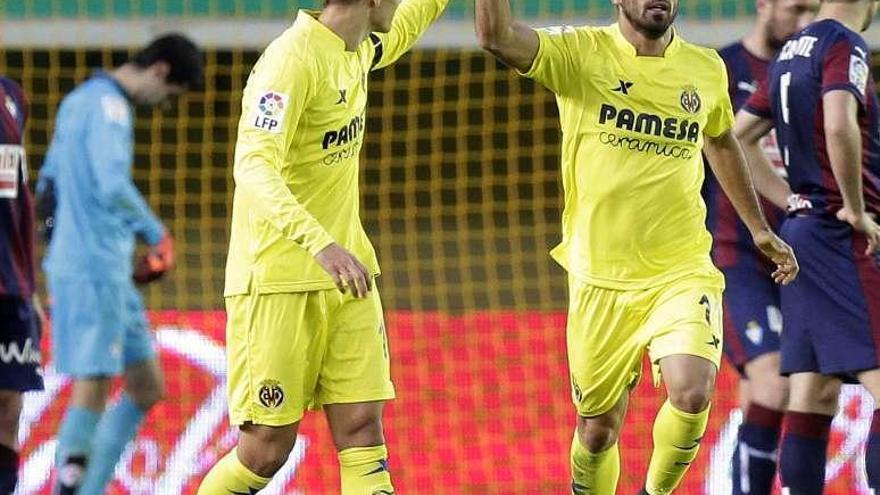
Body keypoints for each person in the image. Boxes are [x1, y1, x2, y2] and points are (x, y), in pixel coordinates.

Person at [474, 0, 800, 493]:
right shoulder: (580, 53)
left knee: (692, 394)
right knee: (597, 429)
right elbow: (496, 35)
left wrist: (758, 228)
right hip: (598, 279)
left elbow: (721, 139)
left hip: (681, 268)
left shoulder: (705, 68)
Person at [196, 0, 448, 492]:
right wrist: (320, 243)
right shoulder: (289, 61)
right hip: (277, 281)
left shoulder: (359, 49)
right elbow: (253, 167)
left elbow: (415, 15)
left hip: (349, 277)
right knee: (265, 451)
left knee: (363, 431)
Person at [36, 34, 203, 495]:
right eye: (170, 96)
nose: (164, 105)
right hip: (93, 269)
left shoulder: (78, 101)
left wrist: (62, 251)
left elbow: (47, 187)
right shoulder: (111, 109)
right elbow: (111, 185)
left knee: (146, 385)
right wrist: (156, 234)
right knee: (94, 381)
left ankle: (88, 488)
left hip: (98, 266)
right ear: (162, 71)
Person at [736, 0, 880, 493]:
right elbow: (839, 123)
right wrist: (856, 209)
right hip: (841, 237)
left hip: (803, 237)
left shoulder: (793, 49)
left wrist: (792, 202)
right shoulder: (844, 41)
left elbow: (737, 138)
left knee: (814, 392)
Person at [705, 1, 817, 493]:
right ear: (763, 5)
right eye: (796, 9)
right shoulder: (720, 70)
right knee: (774, 383)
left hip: (805, 262)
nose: (805, 21)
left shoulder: (813, 73)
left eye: (814, 10)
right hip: (738, 258)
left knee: (768, 397)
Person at [0, 76, 43, 495]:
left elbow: (19, 199)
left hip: (11, 289)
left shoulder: (12, 96)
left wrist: (30, 289)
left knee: (9, 409)